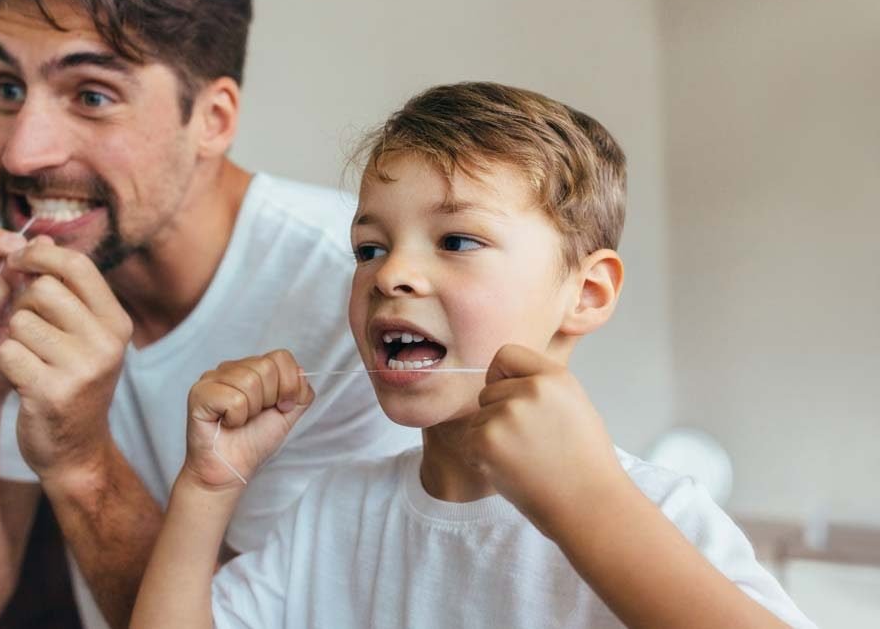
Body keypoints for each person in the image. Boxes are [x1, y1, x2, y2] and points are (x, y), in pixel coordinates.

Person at [131, 82, 815, 628]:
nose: (391, 273)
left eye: (456, 241)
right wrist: (207, 488)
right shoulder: (334, 513)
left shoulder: (657, 509)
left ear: (587, 292)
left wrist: (587, 503)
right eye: (369, 247)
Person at [0, 0, 417, 628]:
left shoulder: (363, 296)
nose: (22, 154)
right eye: (7, 87)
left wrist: (81, 463)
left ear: (213, 120)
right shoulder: (9, 264)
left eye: (92, 95)